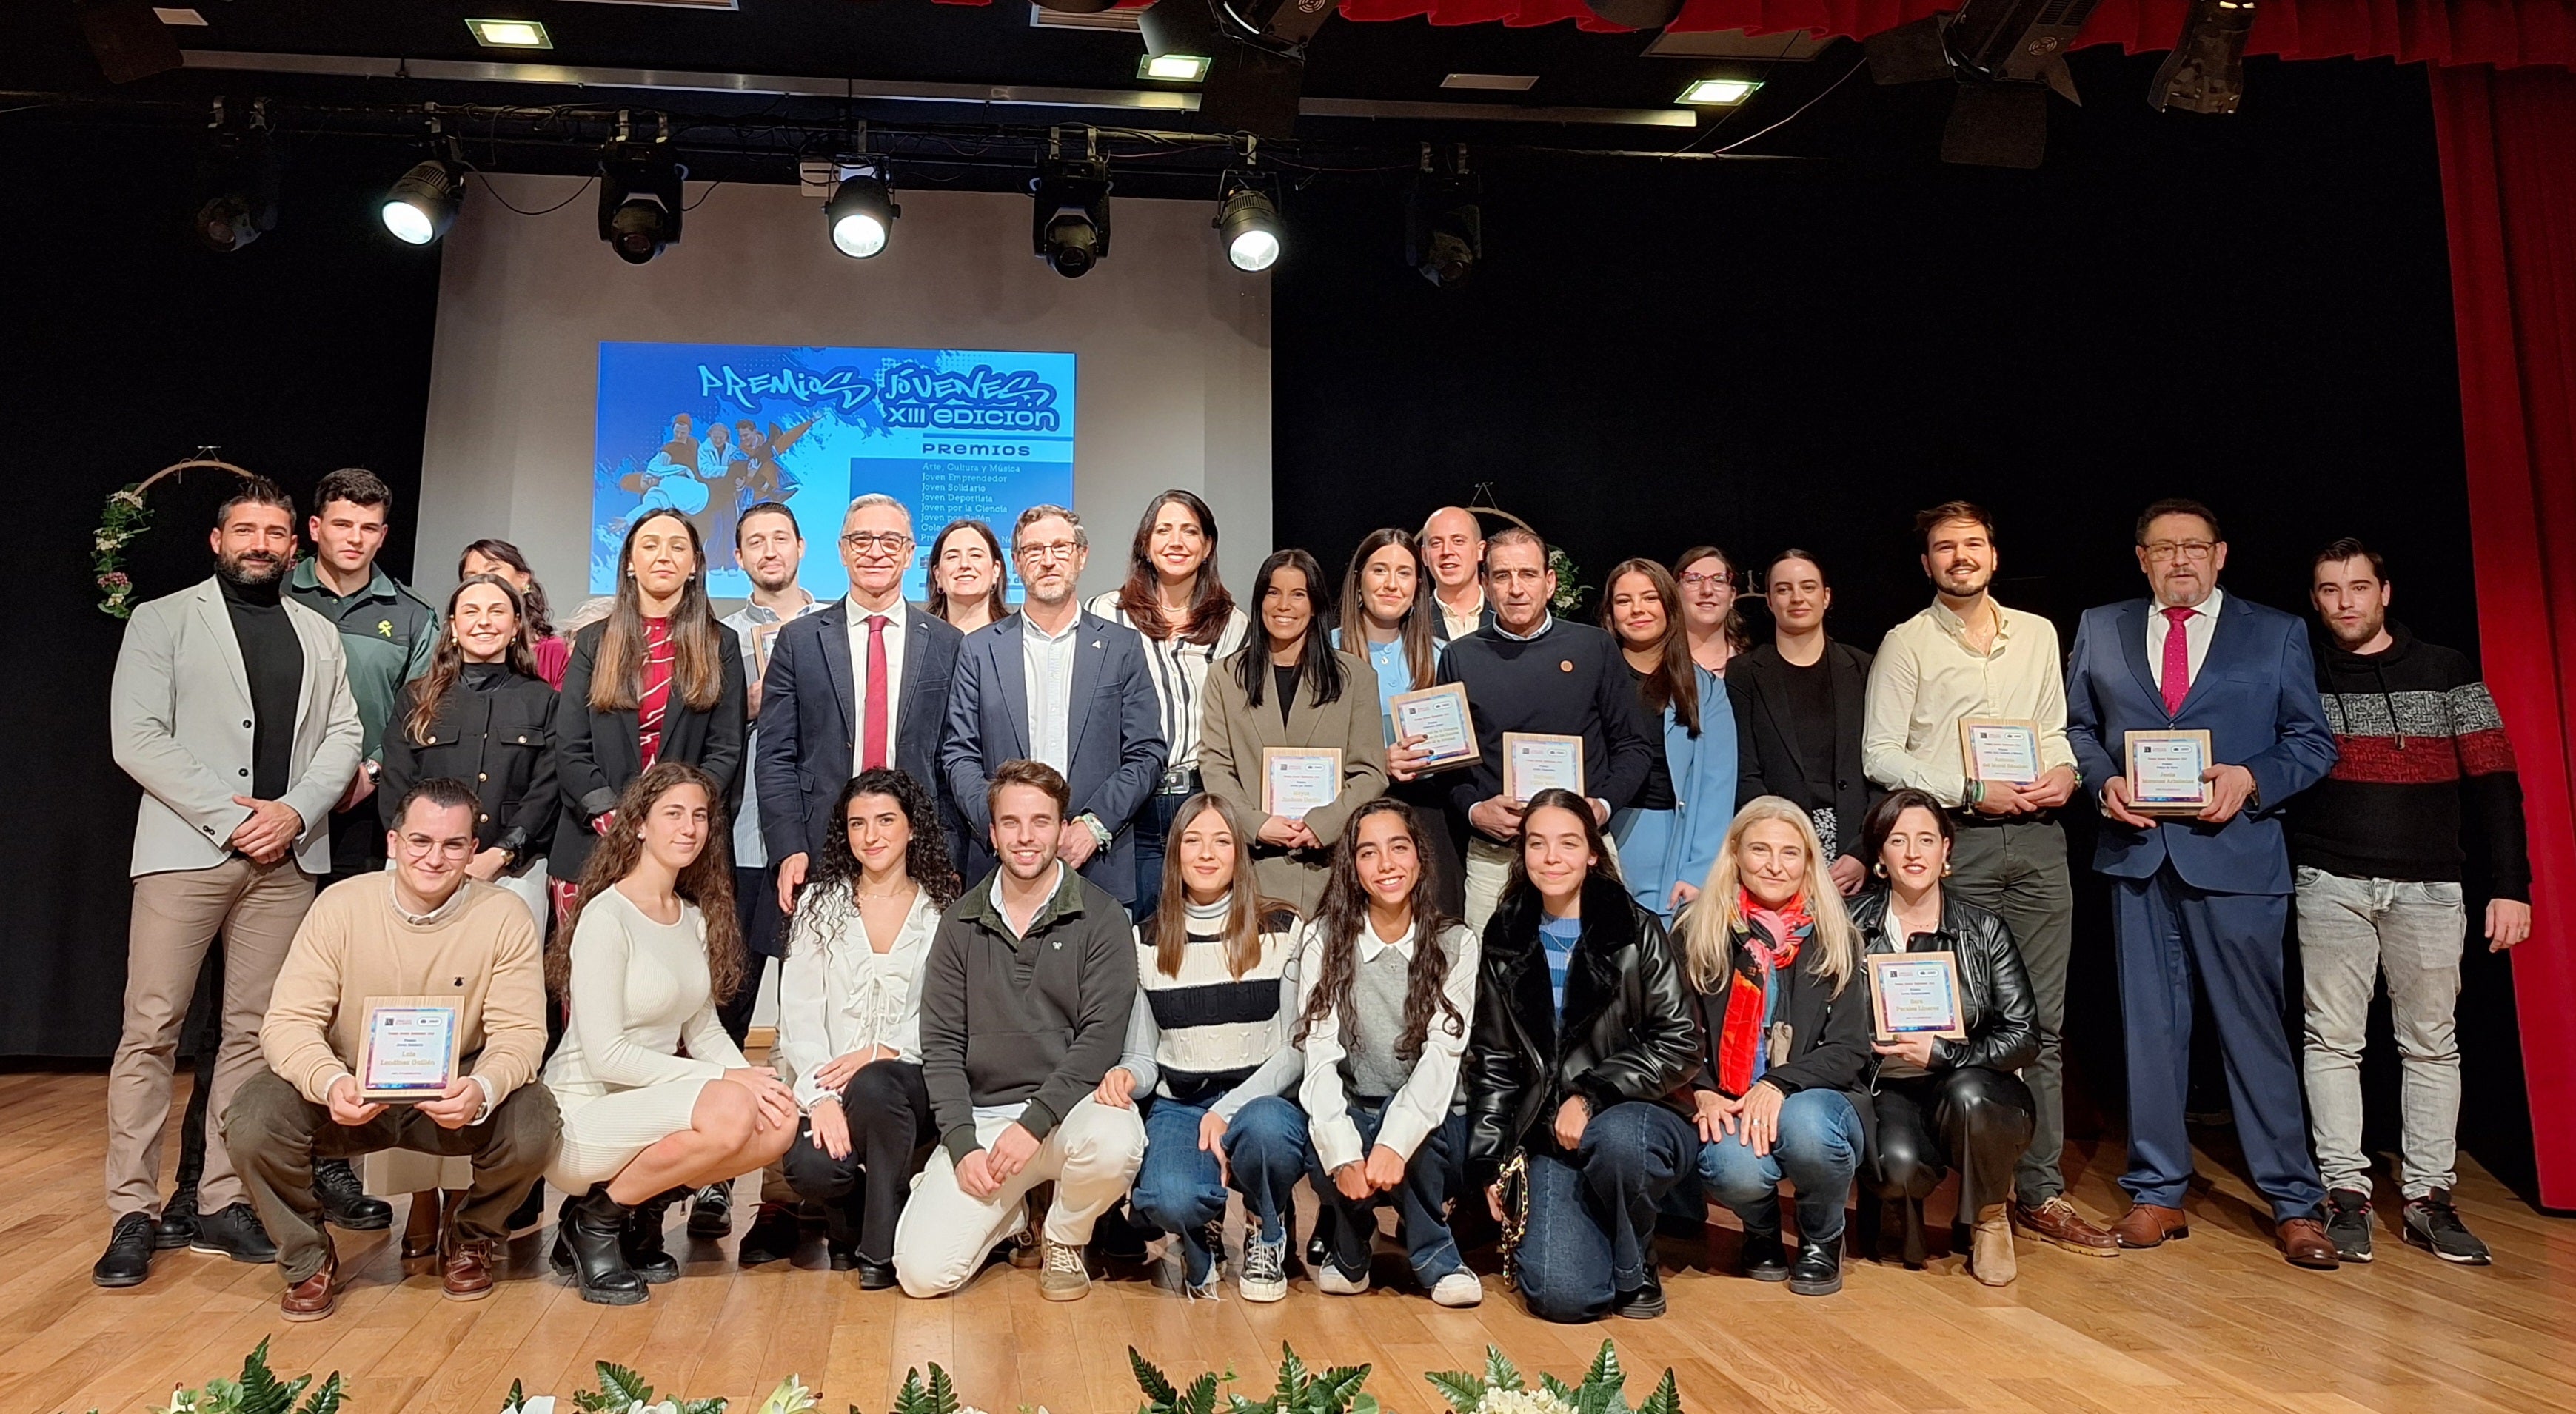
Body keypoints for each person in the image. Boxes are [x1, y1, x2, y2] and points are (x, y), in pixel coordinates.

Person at [97, 478, 365, 1288]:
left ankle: (221, 1198)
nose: (261, 542)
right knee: (152, 1028)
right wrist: (231, 816)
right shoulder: (162, 619)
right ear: (217, 540)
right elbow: (136, 735)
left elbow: (346, 733)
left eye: (276, 532)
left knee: (254, 1035)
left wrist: (292, 813)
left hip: (285, 863)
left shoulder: (318, 631)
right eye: (246, 528)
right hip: (186, 852)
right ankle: (133, 1210)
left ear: (295, 545)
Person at [2064, 498, 2341, 1269]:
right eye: (2162, 548)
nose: (2178, 560)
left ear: (2219, 555)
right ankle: (2156, 1191)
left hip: (2237, 859)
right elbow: (2078, 727)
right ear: (2140, 559)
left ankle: (2293, 1201)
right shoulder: (2102, 625)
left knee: (2253, 1033)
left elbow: (2310, 741)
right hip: (2137, 855)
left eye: (2193, 547)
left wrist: (2252, 777)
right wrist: (2100, 783)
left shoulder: (2275, 630)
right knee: (2148, 1033)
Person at [1860, 501, 2115, 1258]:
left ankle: (2035, 1191)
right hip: (1956, 841)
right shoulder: (1905, 643)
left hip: (2036, 838)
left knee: (2039, 1027)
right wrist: (1965, 789)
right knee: (1950, 1018)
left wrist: (2066, 771)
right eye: (1944, 547)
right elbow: (1880, 753)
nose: (1959, 556)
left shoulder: (2034, 633)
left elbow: (2050, 727)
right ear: (1927, 563)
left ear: (1993, 556)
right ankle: (1967, 1192)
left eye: (1972, 544)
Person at [227, 779, 559, 1318]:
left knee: (536, 1124)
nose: (435, 858)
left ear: (473, 850)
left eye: (453, 845)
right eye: (421, 841)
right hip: (351, 1085)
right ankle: (307, 1261)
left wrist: (482, 1088)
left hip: (455, 1089)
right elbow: (288, 1022)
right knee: (251, 1120)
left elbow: (521, 1034)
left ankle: (471, 1236)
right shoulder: (340, 906)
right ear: (393, 843)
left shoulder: (504, 916)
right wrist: (329, 1082)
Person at [2297, 538, 2532, 1265]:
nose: (2344, 602)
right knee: (2331, 1040)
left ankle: (2429, 1199)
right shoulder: (2299, 671)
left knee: (2430, 1042)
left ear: (2384, 592)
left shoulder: (2443, 669)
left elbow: (2493, 783)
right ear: (2315, 599)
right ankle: (2344, 1196)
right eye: (2329, 590)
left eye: (2357, 587)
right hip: (2329, 881)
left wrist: (2509, 886)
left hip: (2430, 885)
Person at [540, 763, 799, 1305]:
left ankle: (638, 1212)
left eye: (700, 816)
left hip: (648, 1105)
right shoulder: (606, 917)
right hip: (584, 1113)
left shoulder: (691, 917)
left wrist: (752, 1079)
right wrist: (727, 1080)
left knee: (778, 1122)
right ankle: (595, 1223)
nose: (689, 828)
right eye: (673, 814)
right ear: (638, 824)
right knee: (728, 1109)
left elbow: (702, 1030)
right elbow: (607, 1056)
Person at [893, 760, 1147, 1301]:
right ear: (992, 833)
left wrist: (1033, 1123)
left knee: (1116, 1141)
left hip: (1069, 1114)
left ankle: (1063, 1237)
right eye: (1011, 822)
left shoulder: (1101, 918)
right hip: (986, 1121)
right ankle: (1007, 1216)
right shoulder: (958, 923)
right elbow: (939, 1046)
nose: (1026, 837)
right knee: (920, 1277)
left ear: (1061, 828)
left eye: (1039, 822)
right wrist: (961, 1144)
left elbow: (1100, 1039)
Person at [372, 572, 561, 1261]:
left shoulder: (542, 700)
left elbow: (548, 789)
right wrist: (438, 861)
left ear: (518, 625)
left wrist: (499, 854)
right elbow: (398, 785)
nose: (483, 621)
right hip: (423, 878)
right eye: (470, 611)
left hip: (509, 878)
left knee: (490, 1031)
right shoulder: (421, 698)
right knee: (421, 1032)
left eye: (497, 612)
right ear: (451, 624)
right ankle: (423, 1194)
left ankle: (474, 1204)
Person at [1464, 789, 1698, 1324]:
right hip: (1547, 1135)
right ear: (1521, 853)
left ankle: (1636, 1254)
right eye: (1537, 844)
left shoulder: (1635, 928)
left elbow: (1679, 1041)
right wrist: (1491, 1157)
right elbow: (1494, 1059)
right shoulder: (1504, 935)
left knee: (1618, 1141)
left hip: (1638, 1117)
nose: (1551, 858)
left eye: (1568, 843)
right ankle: (1601, 1233)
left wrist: (1591, 1095)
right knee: (1563, 1298)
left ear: (1592, 852)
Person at [284, 467, 437, 1231]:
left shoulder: (410, 614)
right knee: (261, 994)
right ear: (315, 527)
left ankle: (334, 1166)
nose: (355, 538)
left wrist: (368, 769)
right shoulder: (275, 591)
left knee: (346, 989)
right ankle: (209, 1175)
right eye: (342, 523)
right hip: (267, 813)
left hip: (356, 812)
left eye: (371, 527)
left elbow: (416, 714)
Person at [1097, 794, 1308, 1300]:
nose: (1206, 854)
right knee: (1167, 1198)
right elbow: (1145, 1056)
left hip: (1260, 1102)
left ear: (1239, 852)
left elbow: (1296, 1046)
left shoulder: (1281, 928)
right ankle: (1199, 1232)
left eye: (1220, 841)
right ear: (1175, 855)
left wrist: (1229, 1110)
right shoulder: (1145, 939)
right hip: (1182, 1104)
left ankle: (1267, 1224)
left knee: (1266, 1134)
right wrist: (1126, 1076)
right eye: (1192, 841)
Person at [696, 500, 827, 1253]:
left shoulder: (830, 626)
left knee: (817, 1011)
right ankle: (717, 1170)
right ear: (736, 557)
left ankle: (809, 1175)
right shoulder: (719, 636)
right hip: (739, 842)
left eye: (781, 537)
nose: (768, 550)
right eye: (753, 541)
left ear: (802, 547)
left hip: (816, 842)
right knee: (729, 1007)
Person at [775, 769, 963, 1289]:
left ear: (912, 829)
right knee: (816, 1169)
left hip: (910, 1082)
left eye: (885, 821)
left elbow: (949, 1014)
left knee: (879, 1084)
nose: (871, 836)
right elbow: (800, 1013)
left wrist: (885, 1048)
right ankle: (849, 1215)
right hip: (831, 1084)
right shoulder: (821, 906)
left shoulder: (941, 910)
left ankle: (878, 1250)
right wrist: (820, 1097)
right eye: (857, 824)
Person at [1678, 797, 1871, 1299]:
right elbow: (1671, 1031)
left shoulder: (1836, 937)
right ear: (1736, 854)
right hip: (1727, 1095)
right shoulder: (1694, 931)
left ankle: (1820, 1238)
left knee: (1805, 1126)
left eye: (1790, 853)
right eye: (1759, 849)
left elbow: (1850, 1049)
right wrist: (1700, 1090)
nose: (1773, 865)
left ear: (1809, 862)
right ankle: (1760, 1230)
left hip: (1819, 1097)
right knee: (1730, 1167)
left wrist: (1777, 1084)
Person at [1845, 789, 2038, 1286]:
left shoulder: (1984, 928)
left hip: (1975, 1085)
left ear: (1945, 850)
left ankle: (1991, 1218)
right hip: (1887, 1085)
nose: (1913, 853)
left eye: (1926, 839)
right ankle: (1892, 1197)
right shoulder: (1849, 926)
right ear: (1879, 857)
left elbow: (2023, 1035)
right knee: (1898, 1169)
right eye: (1898, 840)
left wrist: (1944, 1053)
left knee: (1969, 1093)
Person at [1295, 798, 1484, 1307]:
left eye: (1398, 848)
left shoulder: (1456, 942)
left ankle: (1435, 1257)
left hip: (1432, 1112)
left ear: (1420, 858)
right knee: (1325, 1140)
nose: (1385, 865)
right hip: (1358, 1102)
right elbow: (1317, 1056)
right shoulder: (1323, 938)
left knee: (1419, 1140)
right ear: (1351, 869)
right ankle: (1351, 1239)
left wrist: (1394, 1143)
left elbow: (1442, 1059)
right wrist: (1342, 1152)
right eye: (1367, 853)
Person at [940, 505, 1168, 906]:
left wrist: (1093, 826)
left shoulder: (1121, 648)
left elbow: (1146, 753)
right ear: (1015, 562)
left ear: (1082, 556)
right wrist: (1001, 825)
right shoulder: (979, 649)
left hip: (1098, 865)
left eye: (1060, 548)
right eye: (1033, 550)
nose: (1048, 560)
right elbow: (959, 753)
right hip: (1000, 869)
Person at [1436, 527, 1657, 934]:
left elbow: (1633, 747)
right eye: (1502, 576)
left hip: (1582, 849)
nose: (1516, 588)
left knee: (1603, 978)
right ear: (1485, 584)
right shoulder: (1460, 657)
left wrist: (1601, 807)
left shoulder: (1594, 648)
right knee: (1491, 984)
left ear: (1550, 582)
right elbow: (1450, 767)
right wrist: (1475, 810)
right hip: (1496, 858)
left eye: (1528, 574)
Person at [761, 495, 966, 915]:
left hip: (918, 849)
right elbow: (775, 757)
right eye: (861, 540)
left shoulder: (947, 643)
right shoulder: (799, 640)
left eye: (890, 541)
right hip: (818, 845)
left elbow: (951, 760)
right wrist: (789, 847)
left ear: (910, 554)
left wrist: (948, 852)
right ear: (842, 550)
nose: (875, 552)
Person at [549, 509, 749, 901]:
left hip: (684, 849)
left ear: (694, 566)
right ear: (628, 563)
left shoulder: (720, 644)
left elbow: (725, 750)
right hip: (592, 840)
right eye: (650, 545)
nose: (664, 556)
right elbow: (571, 746)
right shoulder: (593, 642)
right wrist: (618, 819)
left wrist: (674, 819)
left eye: (678, 547)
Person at [1087, 491, 1250, 921]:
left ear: (1207, 546)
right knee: (1132, 929)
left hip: (1202, 796)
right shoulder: (1106, 613)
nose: (1176, 541)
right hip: (1128, 804)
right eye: (1164, 530)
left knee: (1199, 930)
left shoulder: (1233, 623)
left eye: (1190, 531)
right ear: (1145, 543)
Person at [1199, 549, 1388, 916]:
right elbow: (1216, 767)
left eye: (1298, 594)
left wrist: (1323, 824)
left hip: (1330, 867)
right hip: (1253, 866)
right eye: (1273, 592)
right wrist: (1257, 823)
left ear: (1315, 604)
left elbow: (1369, 772)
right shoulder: (1226, 677)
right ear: (1259, 601)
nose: (1284, 605)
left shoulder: (1356, 678)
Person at [1333, 526, 1465, 916]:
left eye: (1404, 572)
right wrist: (1377, 762)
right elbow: (1309, 750)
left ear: (1418, 585)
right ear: (1358, 580)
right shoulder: (1324, 652)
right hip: (1351, 814)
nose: (1392, 584)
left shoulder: (1446, 656)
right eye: (1380, 571)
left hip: (1431, 818)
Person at [1731, 551, 1875, 898]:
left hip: (1856, 850)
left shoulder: (1864, 669)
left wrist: (1863, 851)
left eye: (1808, 587)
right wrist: (1784, 847)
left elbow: (1882, 766)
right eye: (1783, 589)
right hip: (1778, 849)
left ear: (1826, 596)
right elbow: (1744, 772)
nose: (1797, 598)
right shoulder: (1744, 674)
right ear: (1769, 601)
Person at [1600, 559, 1736, 920]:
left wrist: (1699, 870)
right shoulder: (1593, 681)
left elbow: (1718, 785)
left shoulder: (1704, 688)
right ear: (1610, 614)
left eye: (1649, 598)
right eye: (1624, 600)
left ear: (1669, 607)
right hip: (1606, 835)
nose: (1638, 610)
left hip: (1675, 845)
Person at [461, 538, 572, 688]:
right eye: (471, 577)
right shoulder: (452, 654)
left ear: (523, 578)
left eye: (493, 570)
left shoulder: (555, 651)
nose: (483, 581)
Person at [1419, 506, 1494, 643]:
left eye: (1458, 541)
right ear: (1424, 555)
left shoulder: (1505, 614)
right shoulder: (1413, 621)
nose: (1447, 551)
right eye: (1436, 543)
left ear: (1480, 550)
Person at [1671, 546, 1748, 677]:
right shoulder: (1656, 665)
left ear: (1732, 596)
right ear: (1675, 592)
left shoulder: (1753, 667)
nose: (1707, 590)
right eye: (1694, 579)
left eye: (1718, 580)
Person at [926, 518, 1011, 636]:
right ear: (937, 575)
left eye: (975, 555)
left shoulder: (1018, 636)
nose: (964, 564)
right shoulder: (917, 638)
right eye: (952, 557)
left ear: (996, 570)